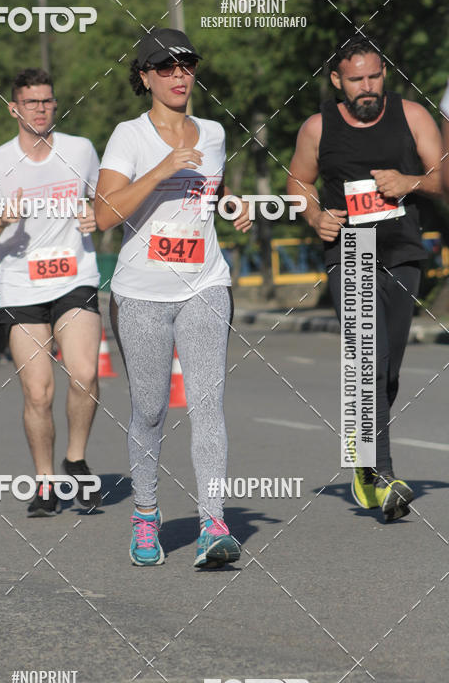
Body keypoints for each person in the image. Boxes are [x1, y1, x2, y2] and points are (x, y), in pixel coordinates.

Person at [95, 28, 251, 567]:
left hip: (205, 282)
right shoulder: (129, 137)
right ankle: (145, 514)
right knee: (152, 408)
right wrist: (162, 167)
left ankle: (213, 522)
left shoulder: (211, 133)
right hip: (141, 293)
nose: (179, 75)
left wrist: (231, 205)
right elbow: (102, 216)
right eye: (165, 67)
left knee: (208, 404)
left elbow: (208, 190)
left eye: (186, 65)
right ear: (144, 77)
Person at [287, 35, 443, 521]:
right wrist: (314, 218)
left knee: (388, 368)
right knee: (367, 360)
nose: (368, 86)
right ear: (337, 80)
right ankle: (379, 472)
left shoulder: (413, 116)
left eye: (375, 76)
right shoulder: (318, 127)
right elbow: (297, 182)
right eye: (356, 79)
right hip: (349, 248)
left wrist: (410, 182)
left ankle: (362, 456)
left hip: (402, 251)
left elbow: (443, 177)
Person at [0, 68, 102, 518]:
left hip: (74, 277)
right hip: (21, 285)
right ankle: (45, 482)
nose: (41, 109)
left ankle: (76, 460)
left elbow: (105, 200)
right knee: (39, 392)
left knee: (84, 372)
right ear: (14, 108)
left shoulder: (80, 150)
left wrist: (96, 217)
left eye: (47, 101)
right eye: (31, 102)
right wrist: (2, 220)